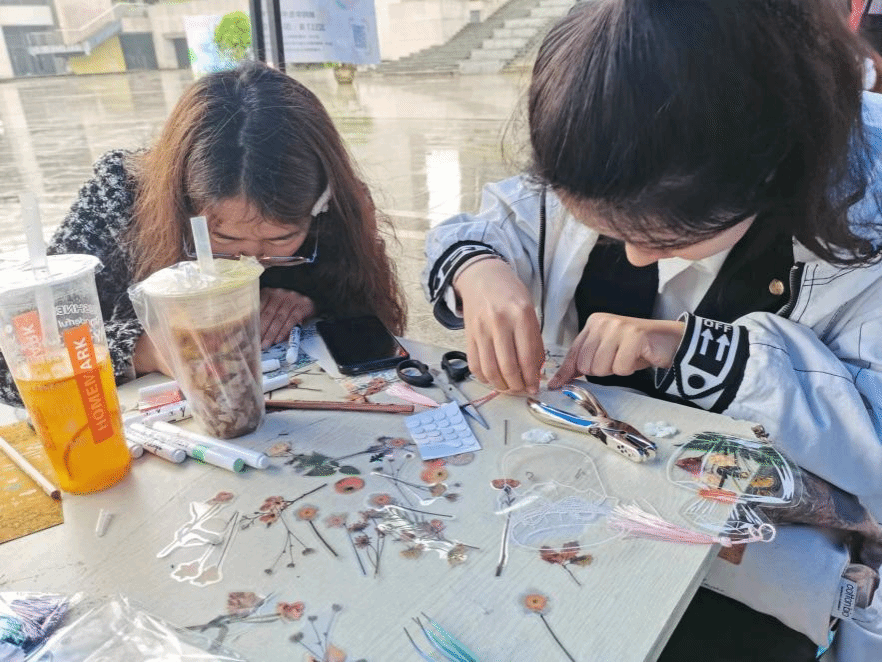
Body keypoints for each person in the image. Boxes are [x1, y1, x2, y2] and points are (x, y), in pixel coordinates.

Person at [423, 1, 882, 659]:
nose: (636, 258)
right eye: (606, 229)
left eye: (663, 236)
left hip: (771, 584)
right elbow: (505, 217)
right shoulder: (617, 129)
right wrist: (479, 269)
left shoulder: (866, 219)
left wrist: (700, 352)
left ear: (765, 172)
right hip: (589, 522)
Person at [0, 61, 406, 406]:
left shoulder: (338, 207)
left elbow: (380, 336)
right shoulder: (122, 195)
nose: (253, 262)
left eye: (281, 240)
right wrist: (143, 349)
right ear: (181, 205)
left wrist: (313, 303)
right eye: (225, 240)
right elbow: (13, 361)